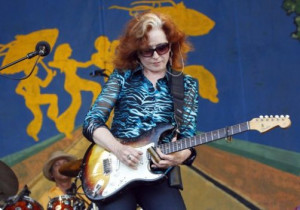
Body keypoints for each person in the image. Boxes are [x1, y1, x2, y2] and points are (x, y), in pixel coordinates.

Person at [82, 11, 199, 210]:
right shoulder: (122, 77)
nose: (156, 56)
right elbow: (92, 122)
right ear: (136, 52)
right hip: (115, 169)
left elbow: (187, 135)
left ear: (171, 46)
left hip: (157, 174)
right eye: (147, 50)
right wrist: (118, 149)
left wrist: (183, 155)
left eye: (161, 48)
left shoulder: (186, 85)